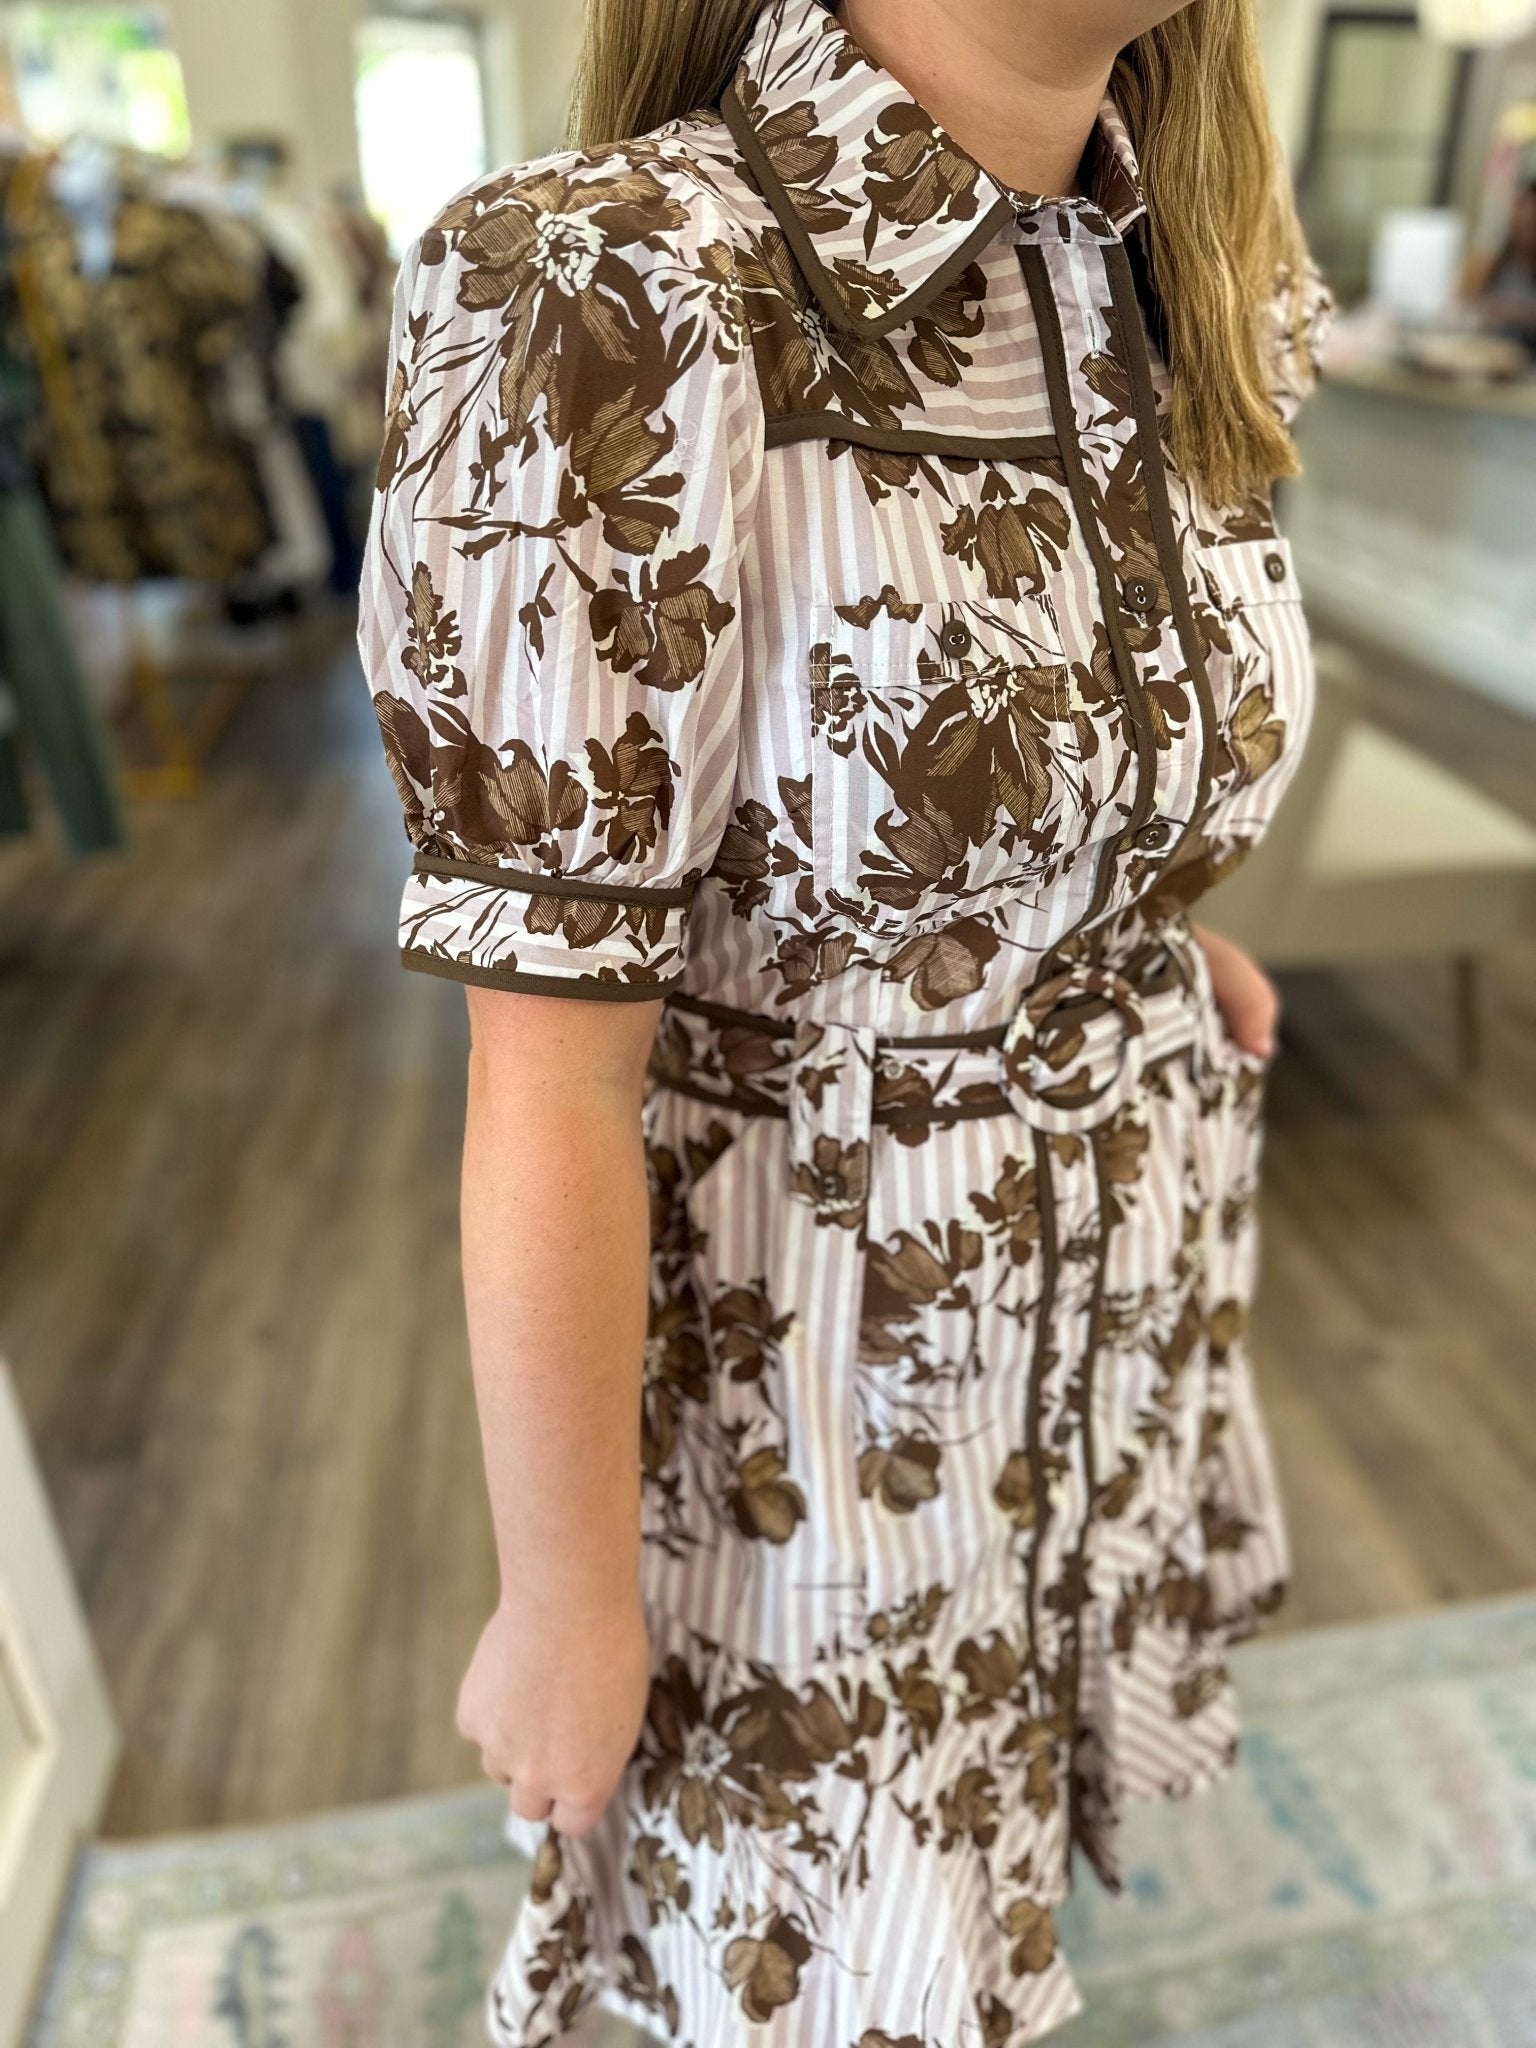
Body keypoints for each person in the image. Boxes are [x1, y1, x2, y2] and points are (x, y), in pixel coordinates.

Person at [357, 0, 1332, 2040]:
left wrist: (1118, 922)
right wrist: (565, 1595)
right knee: (820, 1963)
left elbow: (1062, 739)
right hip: (812, 1390)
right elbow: (548, 1069)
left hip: (1111, 1297)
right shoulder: (611, 287)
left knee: (994, 1894)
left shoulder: (1197, 267)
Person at [1466, 174, 1536, 359]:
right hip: (1494, 350)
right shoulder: (1500, 256)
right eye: (1518, 224)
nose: (1523, 231)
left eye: (1530, 225)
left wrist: (1519, 314)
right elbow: (1465, 300)